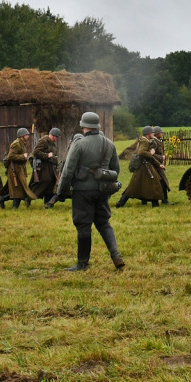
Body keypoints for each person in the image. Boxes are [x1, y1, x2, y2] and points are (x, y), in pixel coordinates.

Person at [53, 111, 125, 272]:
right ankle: (115, 255)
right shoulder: (109, 144)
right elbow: (116, 170)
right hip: (102, 191)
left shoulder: (78, 144)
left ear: (84, 126)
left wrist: (60, 192)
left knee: (83, 226)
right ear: (97, 126)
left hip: (82, 192)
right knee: (104, 223)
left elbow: (67, 171)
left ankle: (82, 263)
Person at [116, 126, 164, 207]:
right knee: (134, 187)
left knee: (152, 184)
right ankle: (120, 203)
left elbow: (149, 157)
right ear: (148, 134)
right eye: (152, 133)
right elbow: (141, 152)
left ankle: (154, 203)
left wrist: (159, 164)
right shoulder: (144, 141)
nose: (153, 134)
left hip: (146, 166)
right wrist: (151, 153)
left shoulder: (146, 140)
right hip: (143, 167)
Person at [0, 128, 34, 209]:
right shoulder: (16, 144)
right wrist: (23, 156)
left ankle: (2, 199)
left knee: (19, 190)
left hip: (19, 169)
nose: (27, 136)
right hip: (14, 170)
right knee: (17, 190)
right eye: (26, 135)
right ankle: (14, 208)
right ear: (22, 136)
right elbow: (10, 156)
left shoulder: (22, 143)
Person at [29, 128, 61, 204]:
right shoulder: (43, 141)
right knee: (43, 182)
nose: (57, 139)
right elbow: (36, 152)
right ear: (53, 136)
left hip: (50, 167)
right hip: (43, 167)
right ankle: (29, 197)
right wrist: (47, 155)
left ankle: (48, 202)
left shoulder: (52, 143)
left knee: (51, 183)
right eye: (56, 137)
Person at [151, 125, 172, 202]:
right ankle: (164, 200)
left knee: (163, 182)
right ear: (156, 134)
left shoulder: (158, 141)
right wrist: (161, 157)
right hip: (155, 165)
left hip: (159, 165)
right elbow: (151, 154)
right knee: (162, 182)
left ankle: (164, 199)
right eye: (160, 132)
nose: (162, 133)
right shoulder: (154, 142)